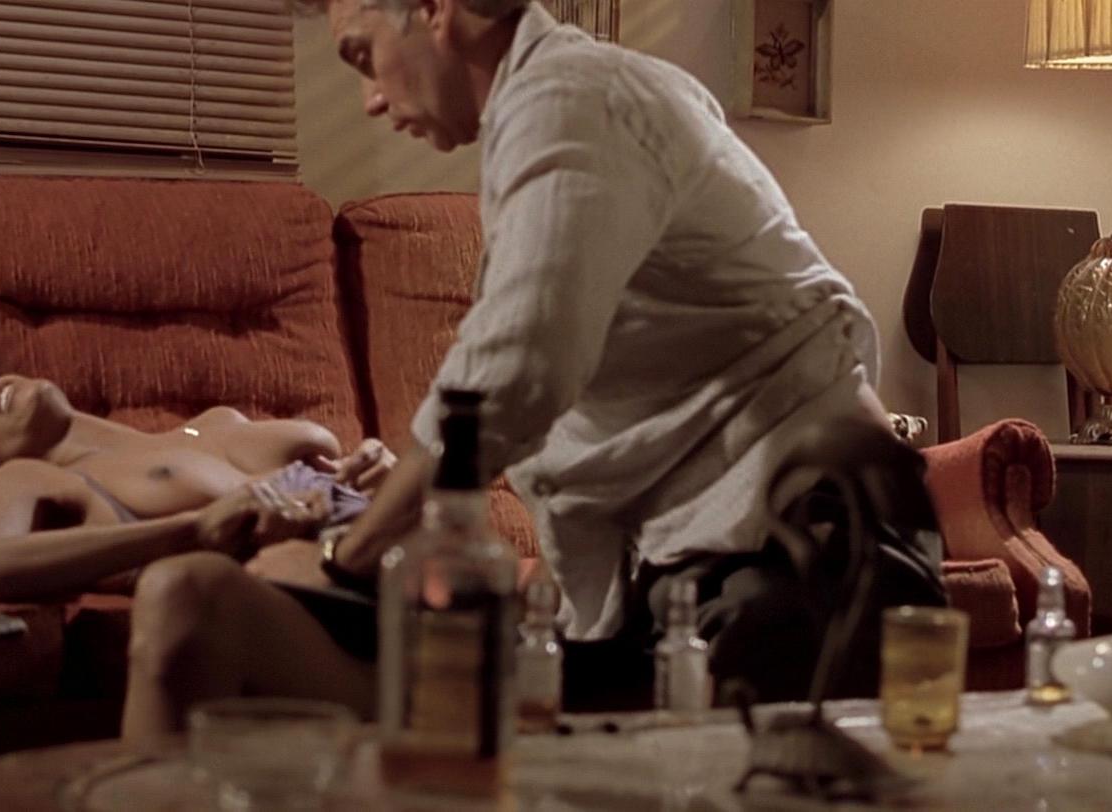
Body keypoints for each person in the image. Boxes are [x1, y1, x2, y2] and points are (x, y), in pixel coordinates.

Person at [280, 0, 948, 708]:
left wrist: (344, 561)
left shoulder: (573, 100)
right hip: (727, 546)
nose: (370, 99)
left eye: (363, 56)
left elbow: (514, 372)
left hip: (804, 545)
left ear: (434, 9)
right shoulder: (559, 104)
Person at [0, 362, 398, 748]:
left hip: (410, 568)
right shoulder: (31, 478)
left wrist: (384, 479)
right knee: (183, 589)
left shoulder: (215, 422)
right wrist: (193, 527)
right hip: (347, 634)